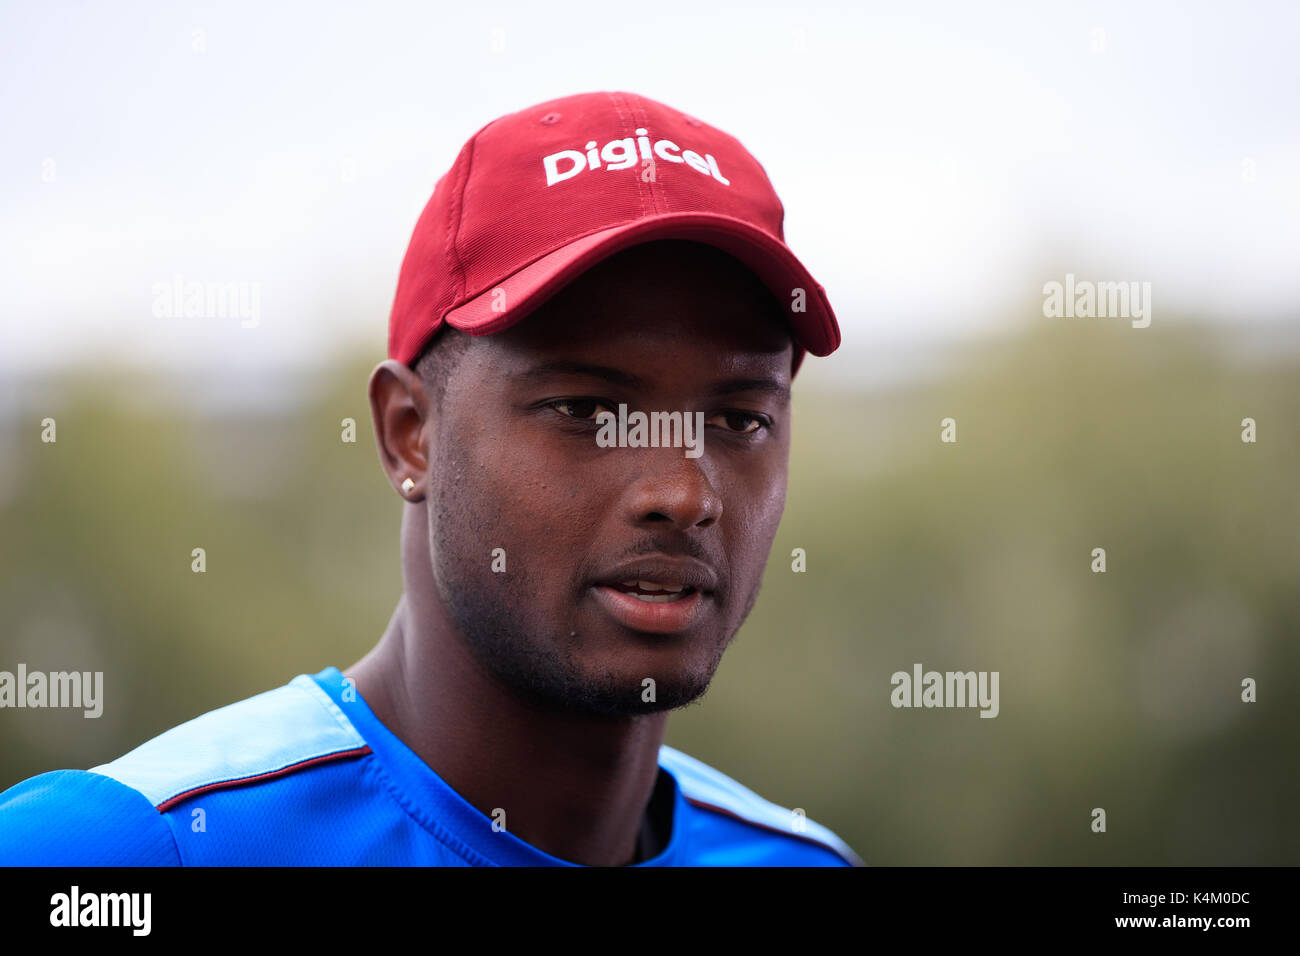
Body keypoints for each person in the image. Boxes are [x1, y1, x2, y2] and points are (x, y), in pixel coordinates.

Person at [0, 91, 861, 866]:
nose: (683, 491)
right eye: (589, 412)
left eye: (740, 420)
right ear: (408, 434)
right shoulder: (122, 851)